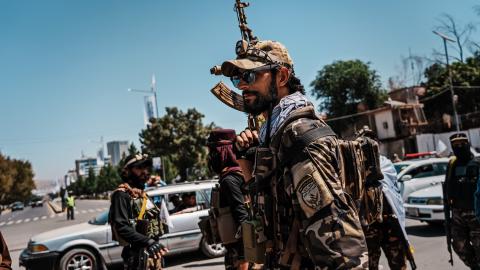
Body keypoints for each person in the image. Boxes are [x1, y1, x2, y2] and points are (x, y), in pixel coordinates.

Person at [218, 40, 368, 269]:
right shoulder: (276, 133)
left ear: (281, 77)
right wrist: (246, 160)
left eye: (250, 76)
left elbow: (340, 241)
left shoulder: (299, 137)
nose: (241, 86)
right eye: (236, 78)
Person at [357, 126, 415, 270]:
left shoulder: (386, 164)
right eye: (364, 140)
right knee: (370, 266)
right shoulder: (353, 167)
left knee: (399, 263)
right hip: (368, 226)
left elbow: (394, 194)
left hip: (390, 223)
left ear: (378, 143)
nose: (369, 142)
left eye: (372, 139)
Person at [109, 154, 168, 270]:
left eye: (145, 168)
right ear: (128, 171)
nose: (144, 171)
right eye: (139, 168)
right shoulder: (121, 195)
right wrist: (148, 242)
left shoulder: (141, 193)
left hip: (153, 256)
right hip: (137, 258)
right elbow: (122, 227)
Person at [207, 129, 249, 270]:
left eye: (213, 152)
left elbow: (241, 216)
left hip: (239, 251)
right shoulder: (241, 172)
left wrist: (244, 258)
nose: (210, 157)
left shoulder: (229, 179)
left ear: (222, 152)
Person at [444, 133, 480, 269]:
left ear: (468, 144)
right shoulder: (452, 165)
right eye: (456, 145)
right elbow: (447, 187)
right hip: (457, 212)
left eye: (462, 144)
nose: (459, 147)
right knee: (459, 245)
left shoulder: (477, 163)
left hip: (476, 212)